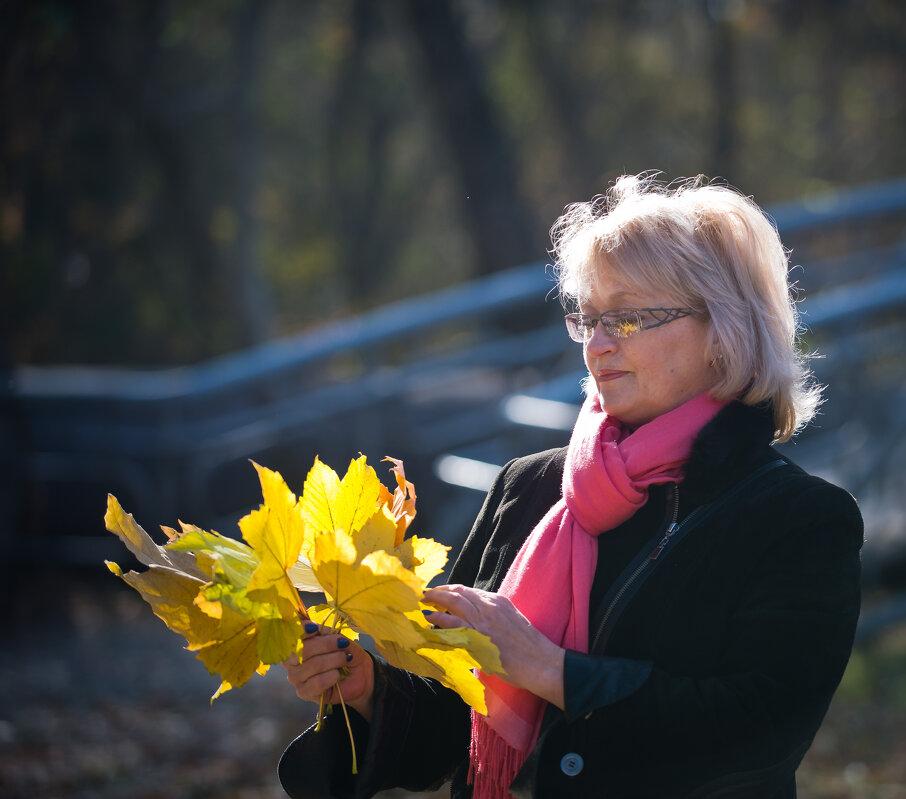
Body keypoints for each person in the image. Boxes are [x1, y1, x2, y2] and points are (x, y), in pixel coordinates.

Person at [278, 173, 864, 799]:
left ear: (725, 332)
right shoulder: (528, 486)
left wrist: (551, 671)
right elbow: (460, 731)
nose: (598, 346)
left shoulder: (800, 519)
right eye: (590, 318)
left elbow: (761, 730)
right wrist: (370, 694)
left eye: (632, 317)